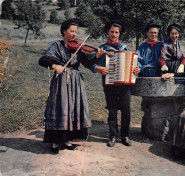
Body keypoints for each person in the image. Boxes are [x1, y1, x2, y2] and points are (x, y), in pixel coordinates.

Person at [39, 19, 98, 154]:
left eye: (75, 32)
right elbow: (42, 60)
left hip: (76, 82)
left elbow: (88, 64)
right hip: (61, 81)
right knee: (59, 109)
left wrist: (97, 56)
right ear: (64, 31)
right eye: (71, 31)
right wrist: (55, 66)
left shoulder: (78, 47)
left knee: (72, 109)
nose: (74, 34)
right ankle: (55, 141)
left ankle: (66, 140)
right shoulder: (56, 46)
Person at [91, 20, 140, 147]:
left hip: (125, 85)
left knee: (126, 111)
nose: (114, 34)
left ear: (120, 33)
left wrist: (136, 69)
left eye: (116, 32)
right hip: (110, 84)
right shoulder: (102, 48)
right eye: (112, 32)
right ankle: (113, 136)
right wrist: (98, 65)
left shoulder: (125, 48)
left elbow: (134, 64)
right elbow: (92, 63)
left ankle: (125, 136)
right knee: (112, 111)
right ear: (107, 32)